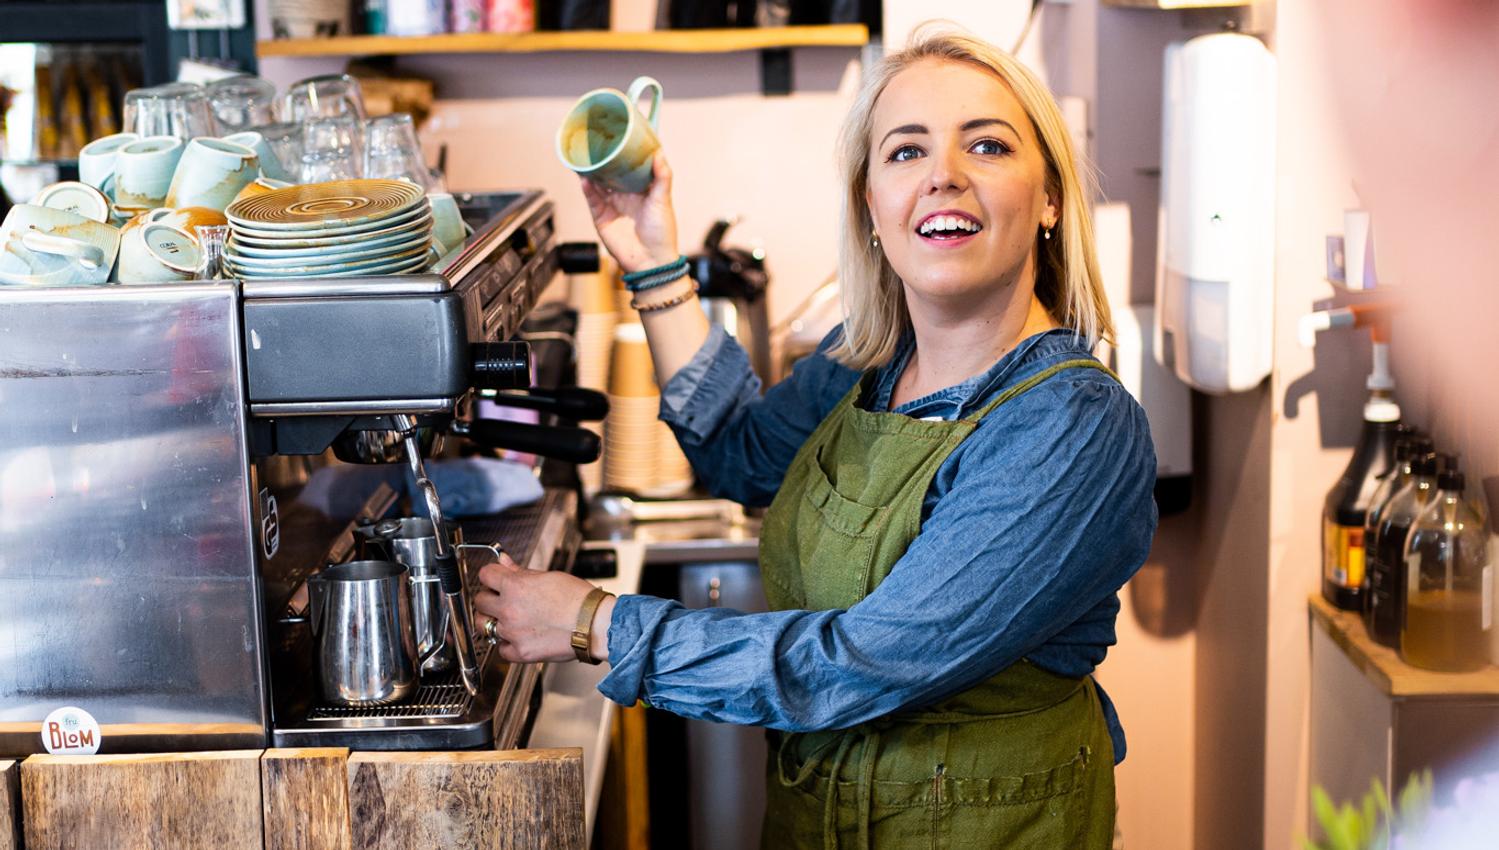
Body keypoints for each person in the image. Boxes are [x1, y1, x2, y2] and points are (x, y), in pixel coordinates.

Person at [476, 26, 1158, 849]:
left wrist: (598, 623)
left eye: (986, 145)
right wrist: (654, 260)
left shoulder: (1073, 427)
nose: (943, 175)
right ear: (871, 205)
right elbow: (740, 455)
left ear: (1048, 197)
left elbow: (870, 660)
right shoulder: (862, 365)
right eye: (904, 152)